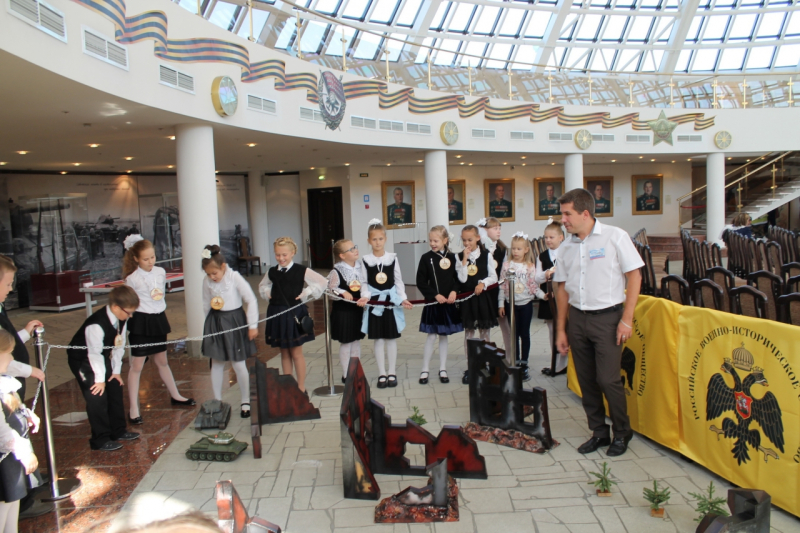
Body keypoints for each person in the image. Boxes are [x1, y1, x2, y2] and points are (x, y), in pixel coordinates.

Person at [554, 188, 643, 457]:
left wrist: (626, 320)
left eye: (567, 214)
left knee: (608, 380)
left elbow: (635, 276)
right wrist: (561, 329)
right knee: (586, 380)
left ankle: (622, 432)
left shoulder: (615, 236)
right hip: (578, 318)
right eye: (562, 214)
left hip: (608, 318)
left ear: (585, 213)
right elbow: (562, 289)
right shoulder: (566, 247)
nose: (563, 220)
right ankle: (599, 432)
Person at [122, 236, 195, 425]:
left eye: (153, 257)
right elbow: (128, 303)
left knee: (162, 360)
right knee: (137, 365)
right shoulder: (132, 279)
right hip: (141, 321)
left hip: (158, 319)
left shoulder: (161, 272)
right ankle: (134, 408)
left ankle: (175, 395)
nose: (150, 262)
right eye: (145, 259)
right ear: (136, 259)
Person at [66, 286, 141, 451]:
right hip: (83, 360)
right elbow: (93, 354)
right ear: (116, 307)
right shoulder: (96, 324)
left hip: (102, 356)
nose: (130, 316)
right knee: (97, 396)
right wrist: (99, 380)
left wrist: (116, 372)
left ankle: (118, 430)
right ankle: (100, 439)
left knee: (115, 387)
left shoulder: (121, 318)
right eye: (128, 312)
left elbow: (119, 345)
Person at [260, 237, 327, 394]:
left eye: (284, 255)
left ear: (292, 253)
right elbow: (263, 285)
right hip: (277, 312)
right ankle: (288, 385)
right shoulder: (272, 271)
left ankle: (301, 386)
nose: (281, 258)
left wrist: (307, 291)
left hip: (293, 312)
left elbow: (322, 282)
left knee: (296, 352)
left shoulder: (301, 270)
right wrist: (267, 292)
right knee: (284, 351)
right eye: (277, 255)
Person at [201, 245, 258, 418]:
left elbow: (251, 299)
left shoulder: (234, 277)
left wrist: (252, 325)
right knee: (217, 362)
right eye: (208, 274)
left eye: (214, 273)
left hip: (234, 321)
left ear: (223, 267)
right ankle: (217, 400)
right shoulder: (207, 281)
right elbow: (205, 303)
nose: (212, 277)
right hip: (216, 321)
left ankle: (245, 400)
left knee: (238, 363)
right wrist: (208, 327)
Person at [0, 331, 50, 524]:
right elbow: (3, 431)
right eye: (8, 353)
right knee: (5, 506)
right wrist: (25, 453)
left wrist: (26, 413)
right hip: (6, 458)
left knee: (13, 501)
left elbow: (13, 405)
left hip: (12, 458)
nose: (12, 358)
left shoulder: (4, 381)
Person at [359, 219, 413, 388]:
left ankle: (392, 372)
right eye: (374, 239)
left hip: (390, 301)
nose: (377, 242)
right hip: (375, 301)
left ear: (385, 239)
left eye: (380, 239)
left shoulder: (392, 258)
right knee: (378, 339)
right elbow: (363, 282)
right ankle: (382, 372)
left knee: (390, 338)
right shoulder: (365, 260)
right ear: (369, 240)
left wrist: (402, 297)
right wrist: (365, 296)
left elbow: (398, 280)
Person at [416, 225, 462, 385]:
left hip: (448, 303)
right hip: (433, 303)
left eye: (436, 240)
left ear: (445, 240)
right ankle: (425, 369)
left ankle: (443, 368)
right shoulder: (425, 258)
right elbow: (420, 281)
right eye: (430, 240)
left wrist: (454, 291)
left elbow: (458, 278)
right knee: (431, 336)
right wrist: (434, 295)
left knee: (444, 336)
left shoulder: (453, 257)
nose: (432, 243)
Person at [457, 225, 498, 384]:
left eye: (470, 239)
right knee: (469, 333)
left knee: (484, 332)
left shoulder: (486, 255)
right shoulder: (460, 256)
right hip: (468, 299)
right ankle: (471, 366)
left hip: (482, 298)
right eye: (464, 240)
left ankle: (485, 364)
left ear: (478, 238)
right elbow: (462, 279)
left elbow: (493, 277)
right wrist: (464, 260)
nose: (467, 243)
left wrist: (482, 283)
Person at [0, 256, 43, 399]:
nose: (11, 289)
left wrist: (25, 333)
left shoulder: (1, 308)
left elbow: (4, 343)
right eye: (8, 284)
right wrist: (29, 370)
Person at [498, 232, 538, 381]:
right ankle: (515, 361)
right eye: (513, 248)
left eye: (519, 249)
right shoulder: (507, 265)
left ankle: (524, 364)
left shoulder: (530, 266)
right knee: (513, 334)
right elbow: (502, 285)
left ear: (526, 250)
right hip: (511, 304)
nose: (515, 251)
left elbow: (533, 285)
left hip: (525, 304)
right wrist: (501, 304)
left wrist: (542, 295)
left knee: (524, 334)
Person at [327, 240, 368, 382]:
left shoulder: (361, 267)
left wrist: (365, 296)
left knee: (356, 341)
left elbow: (365, 285)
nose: (355, 250)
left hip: (357, 310)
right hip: (343, 312)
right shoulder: (337, 271)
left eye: (354, 247)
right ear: (342, 255)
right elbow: (330, 290)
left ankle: (355, 370)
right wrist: (342, 291)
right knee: (346, 342)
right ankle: (346, 374)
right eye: (350, 249)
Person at [535, 219, 567, 376]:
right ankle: (556, 362)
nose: (548, 240)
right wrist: (546, 273)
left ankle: (565, 363)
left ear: (561, 237)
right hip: (549, 297)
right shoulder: (542, 256)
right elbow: (537, 277)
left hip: (565, 297)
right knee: (552, 329)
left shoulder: (567, 252)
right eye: (546, 237)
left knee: (565, 328)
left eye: (551, 237)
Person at [479, 218, 511, 354]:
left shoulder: (502, 249)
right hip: (485, 291)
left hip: (499, 291)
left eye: (499, 228)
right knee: (485, 326)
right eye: (495, 228)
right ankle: (485, 355)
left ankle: (510, 354)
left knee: (505, 324)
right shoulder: (480, 249)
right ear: (485, 230)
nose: (498, 231)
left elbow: (504, 271)